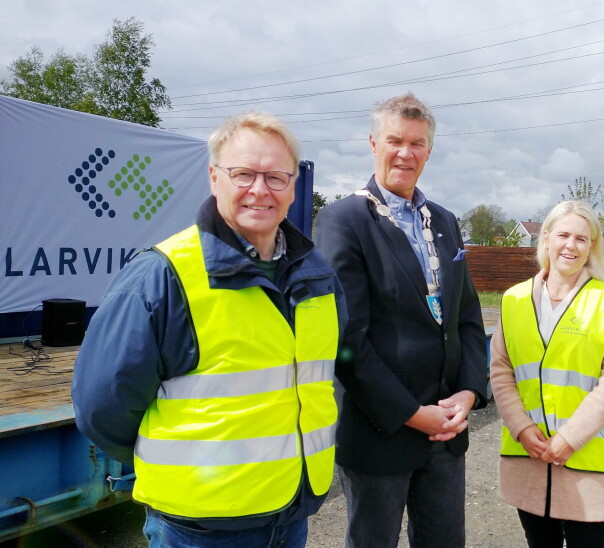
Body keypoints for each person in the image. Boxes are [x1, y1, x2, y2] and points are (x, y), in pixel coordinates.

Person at [72, 112, 346, 547]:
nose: (260, 189)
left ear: (294, 186)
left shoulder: (318, 278)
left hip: (291, 514)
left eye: (276, 176)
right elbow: (101, 406)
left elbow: (321, 380)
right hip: (198, 529)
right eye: (243, 174)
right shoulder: (161, 276)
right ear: (214, 177)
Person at [314, 93, 488, 548]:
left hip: (447, 431)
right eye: (395, 141)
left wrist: (468, 392)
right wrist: (413, 415)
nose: (405, 153)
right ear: (373, 143)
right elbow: (347, 340)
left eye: (417, 144)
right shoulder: (343, 220)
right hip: (381, 431)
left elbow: (466, 315)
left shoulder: (446, 222)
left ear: (429, 150)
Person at [490, 200, 604, 548]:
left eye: (582, 239)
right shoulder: (514, 299)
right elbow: (501, 370)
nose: (571, 245)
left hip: (589, 457)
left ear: (592, 247)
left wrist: (571, 438)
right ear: (547, 239)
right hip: (530, 453)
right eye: (564, 235)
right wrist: (521, 428)